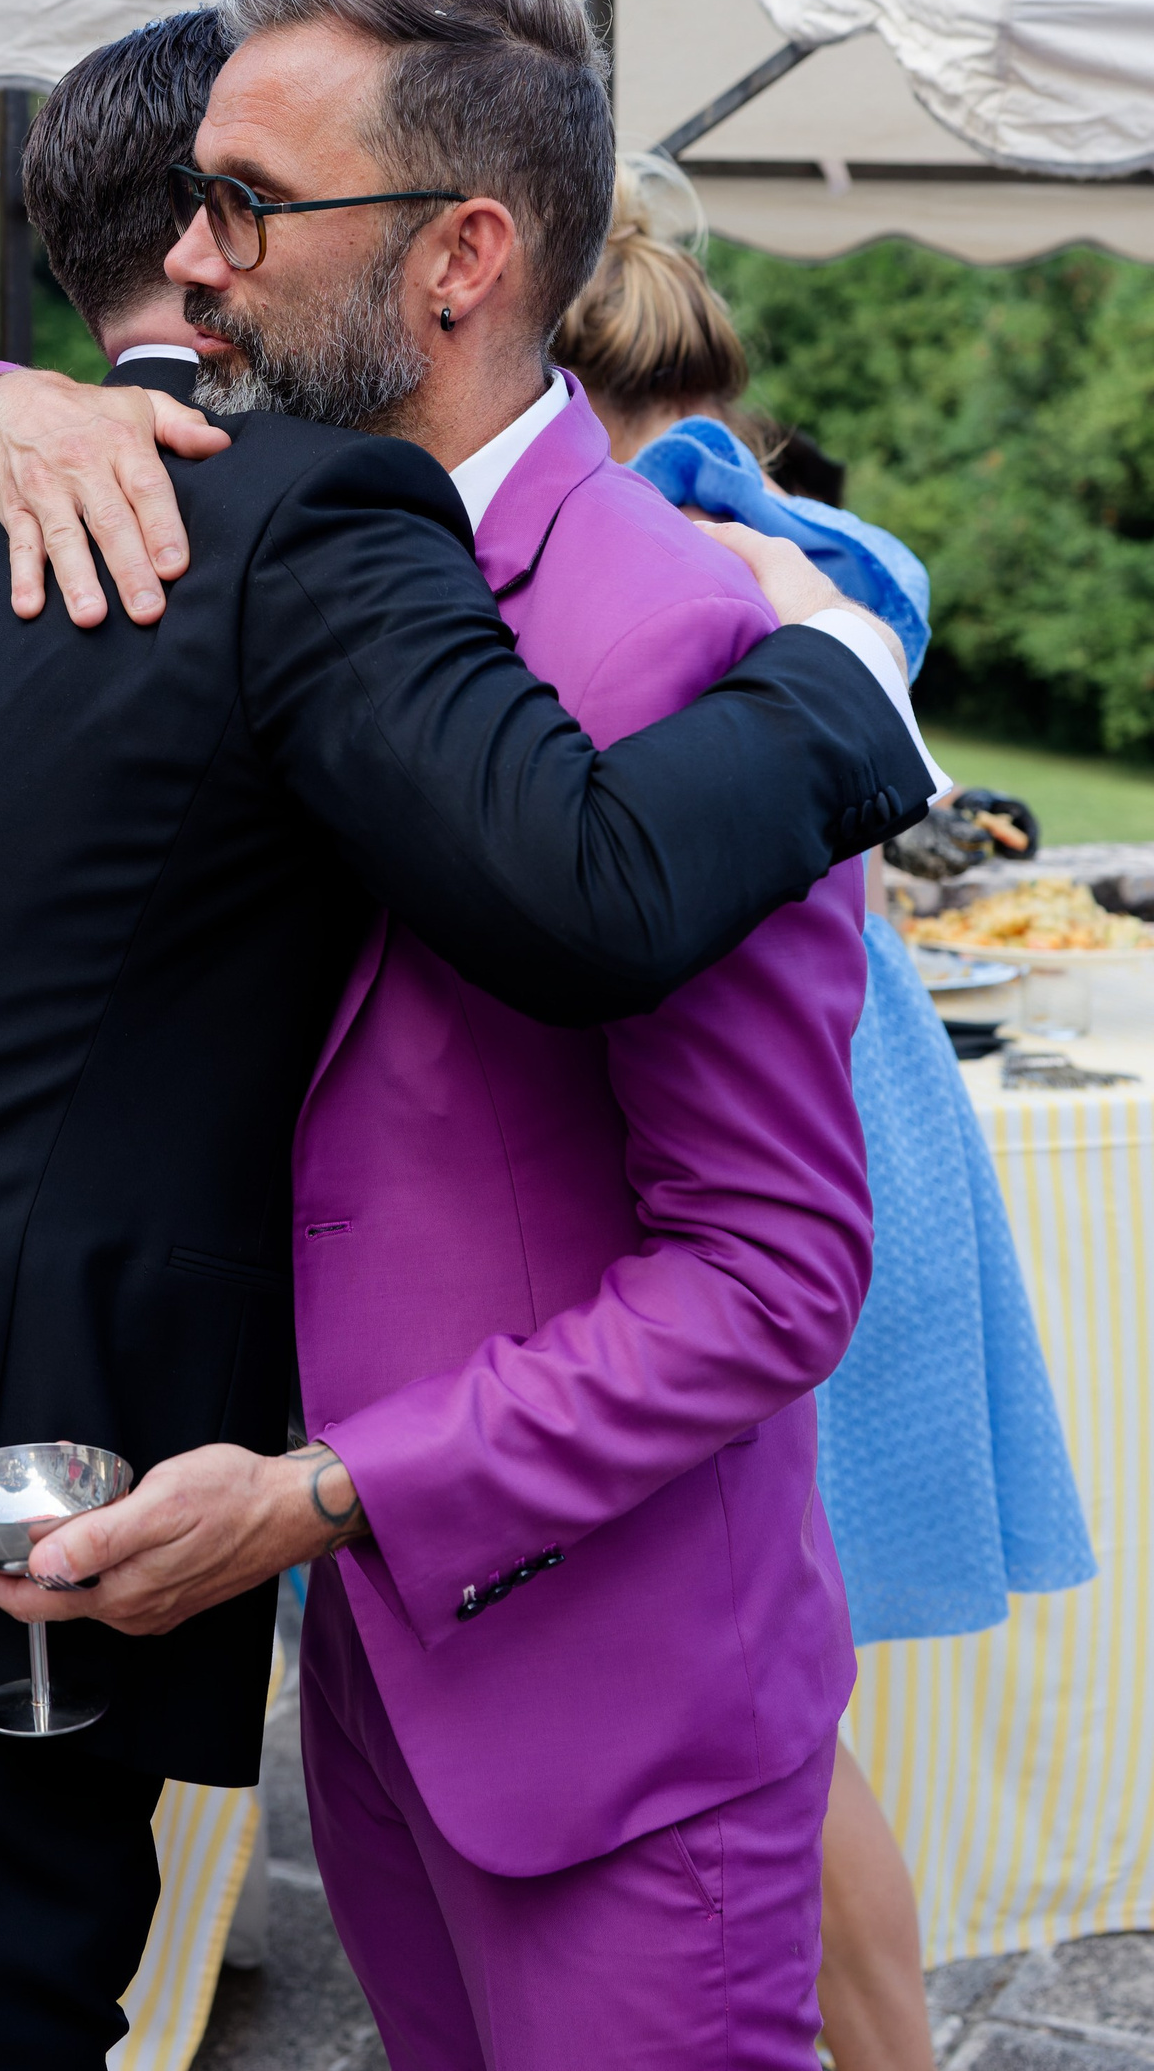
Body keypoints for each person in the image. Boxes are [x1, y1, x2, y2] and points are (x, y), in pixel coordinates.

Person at [0, 0, 934, 2071]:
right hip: (164, 1624)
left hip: (561, 1683)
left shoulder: (661, 625)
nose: (192, 256)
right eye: (188, 203)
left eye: (245, 203)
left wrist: (851, 669)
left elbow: (768, 1251)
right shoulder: (223, 535)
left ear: (461, 254)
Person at [554, 154, 1094, 2071]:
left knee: (765, 1707)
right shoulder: (813, 556)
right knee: (773, 1690)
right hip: (861, 1121)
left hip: (771, 1151)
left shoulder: (679, 565)